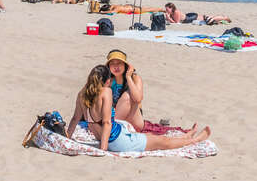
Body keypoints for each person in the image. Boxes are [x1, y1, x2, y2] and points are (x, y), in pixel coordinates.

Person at [65, 65, 210, 153]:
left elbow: (75, 119)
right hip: (118, 140)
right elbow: (107, 123)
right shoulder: (106, 92)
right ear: (107, 81)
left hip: (112, 138)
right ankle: (194, 141)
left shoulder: (82, 94)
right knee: (162, 143)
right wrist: (104, 149)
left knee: (156, 139)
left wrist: (66, 138)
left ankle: (185, 137)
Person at [105, 50, 144, 131]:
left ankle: (111, 129)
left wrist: (128, 77)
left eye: (119, 63)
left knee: (127, 96)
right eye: (112, 64)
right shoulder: (109, 81)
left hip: (133, 119)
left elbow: (138, 99)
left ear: (125, 65)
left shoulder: (135, 78)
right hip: (114, 116)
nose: (116, 66)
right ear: (108, 67)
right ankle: (112, 127)